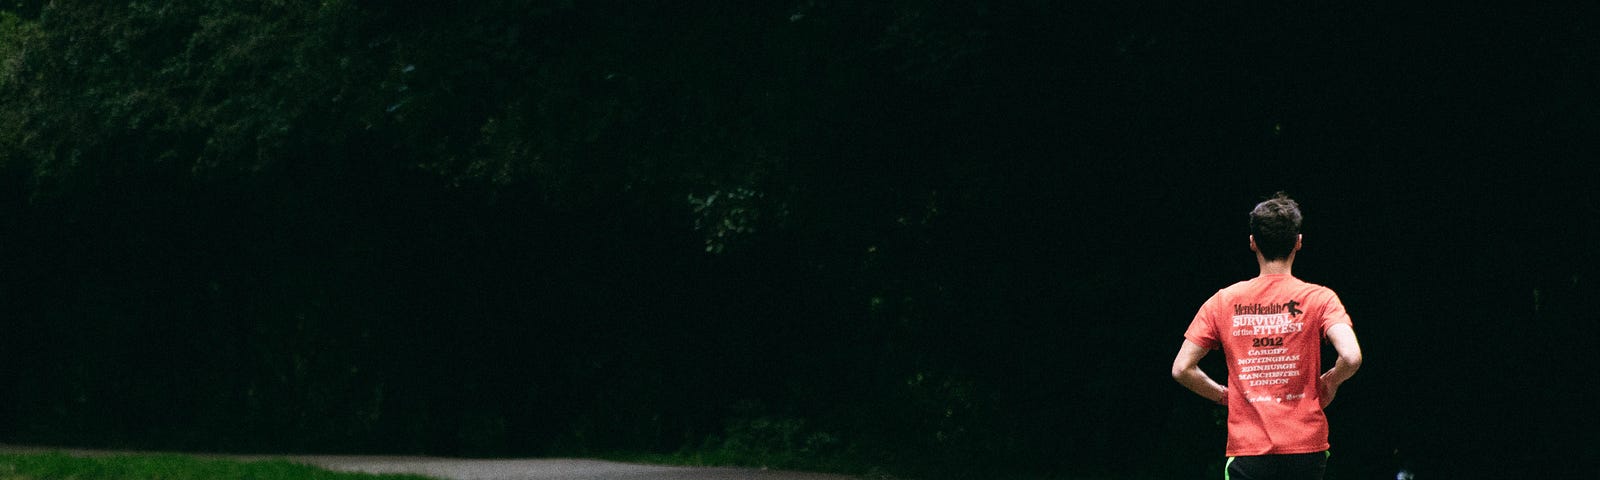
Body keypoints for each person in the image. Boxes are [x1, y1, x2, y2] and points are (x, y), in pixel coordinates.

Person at [1171, 192, 1363, 480]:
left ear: (1252, 243)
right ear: (1298, 242)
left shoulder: (1223, 301)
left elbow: (1182, 368)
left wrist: (1223, 396)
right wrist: (1330, 382)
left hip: (1249, 451)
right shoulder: (1320, 298)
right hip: (1305, 449)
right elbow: (1351, 356)